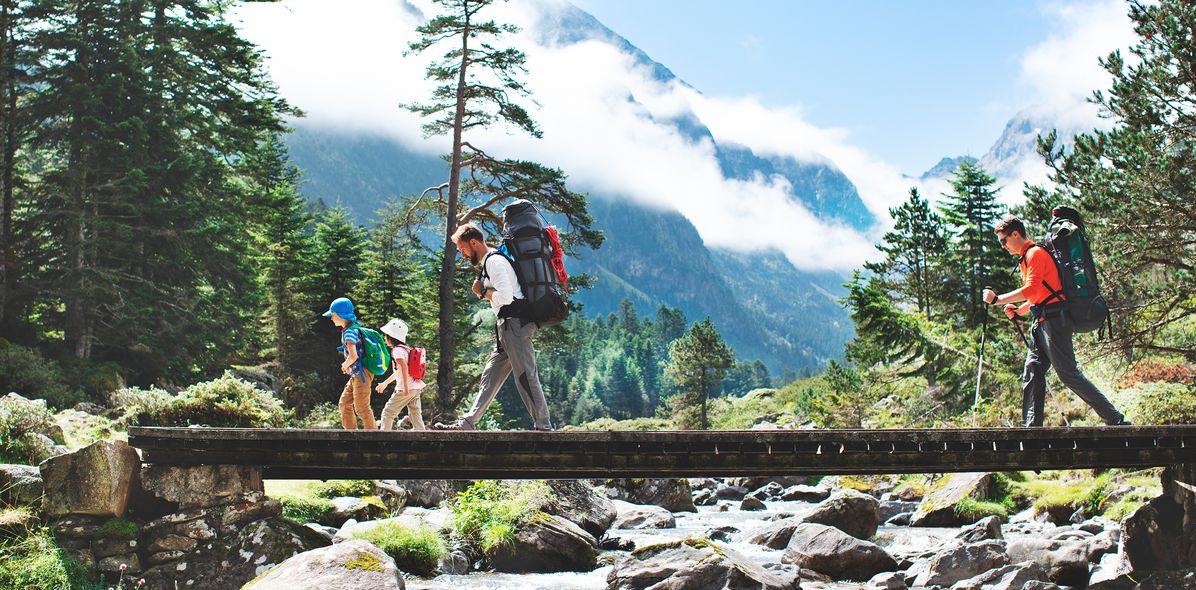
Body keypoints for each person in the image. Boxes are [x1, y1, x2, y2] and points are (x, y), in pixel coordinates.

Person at [982, 216, 1128, 427]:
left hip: (1055, 320)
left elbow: (1031, 289)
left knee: (1068, 374)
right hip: (1043, 320)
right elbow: (1039, 294)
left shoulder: (1036, 254)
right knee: (1033, 369)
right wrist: (1020, 310)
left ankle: (1114, 418)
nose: (1003, 246)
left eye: (1003, 241)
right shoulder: (1026, 257)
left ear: (1015, 234)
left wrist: (998, 299)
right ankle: (1032, 428)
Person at [434, 223, 553, 431]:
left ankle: (543, 426)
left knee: (525, 376)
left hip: (515, 324)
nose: (462, 255)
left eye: (463, 250)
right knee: (490, 376)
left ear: (474, 243)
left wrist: (482, 293)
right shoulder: (491, 261)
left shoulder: (495, 262)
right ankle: (468, 422)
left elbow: (506, 298)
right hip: (506, 327)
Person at [323, 297, 377, 430]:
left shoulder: (349, 333)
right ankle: (350, 434)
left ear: (341, 316)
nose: (331, 318)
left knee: (362, 408)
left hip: (362, 374)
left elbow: (353, 356)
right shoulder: (354, 328)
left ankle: (375, 437)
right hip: (356, 374)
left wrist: (345, 365)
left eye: (333, 315)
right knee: (345, 403)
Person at [375, 318, 426, 430]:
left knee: (388, 413)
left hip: (406, 388)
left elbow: (403, 367)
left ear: (391, 337)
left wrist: (406, 388)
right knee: (415, 415)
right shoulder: (406, 349)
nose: (385, 338)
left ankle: (383, 439)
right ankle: (422, 436)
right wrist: (385, 383)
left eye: (386, 336)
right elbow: (399, 371)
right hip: (416, 387)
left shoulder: (397, 350)